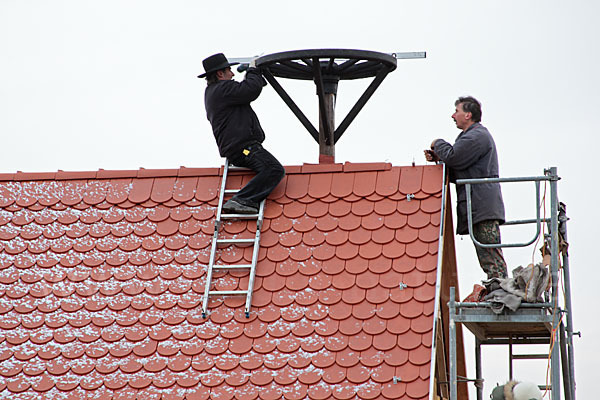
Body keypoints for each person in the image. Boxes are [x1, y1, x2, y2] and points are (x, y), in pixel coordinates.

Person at [425, 96, 508, 279]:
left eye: (457, 111)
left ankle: (501, 287)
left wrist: (437, 143)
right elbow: (460, 168)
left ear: (468, 115)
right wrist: (440, 157)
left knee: (490, 253)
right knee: (486, 253)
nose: (453, 115)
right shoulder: (472, 136)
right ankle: (497, 285)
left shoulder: (476, 136)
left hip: (482, 206)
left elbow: (454, 157)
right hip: (480, 205)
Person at [198, 53, 285, 214]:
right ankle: (242, 199)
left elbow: (249, 89)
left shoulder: (216, 92)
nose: (232, 74)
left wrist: (253, 74)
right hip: (243, 148)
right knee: (274, 169)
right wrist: (252, 70)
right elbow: (250, 90)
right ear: (220, 73)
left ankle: (243, 199)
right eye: (229, 71)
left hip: (237, 148)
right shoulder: (223, 90)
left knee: (270, 167)